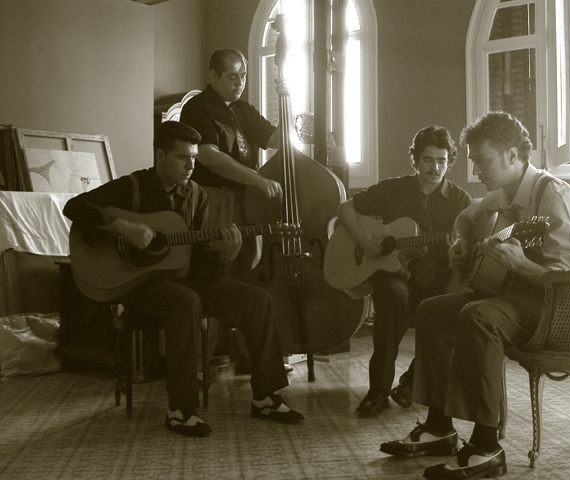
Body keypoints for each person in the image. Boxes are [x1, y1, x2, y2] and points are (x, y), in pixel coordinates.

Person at [379, 111, 570, 479]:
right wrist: (462, 242)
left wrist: (522, 265)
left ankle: (486, 447)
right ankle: (439, 428)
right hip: (514, 298)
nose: (476, 171)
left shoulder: (558, 197)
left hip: (559, 309)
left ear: (512, 155)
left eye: (482, 161)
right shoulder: (502, 195)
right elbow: (466, 217)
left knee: (479, 316)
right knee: (432, 311)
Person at [63, 121, 303, 438]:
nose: (190, 166)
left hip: (185, 279)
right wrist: (122, 226)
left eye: (193, 158)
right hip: (139, 287)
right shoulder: (132, 186)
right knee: (185, 302)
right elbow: (74, 206)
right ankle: (180, 410)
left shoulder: (196, 195)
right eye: (182, 158)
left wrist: (226, 254)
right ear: (160, 156)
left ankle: (265, 398)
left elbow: (198, 259)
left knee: (257, 299)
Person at [336, 126, 472, 415]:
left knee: (452, 307)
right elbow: (345, 208)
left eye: (442, 161)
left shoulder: (460, 201)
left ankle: (412, 382)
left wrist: (458, 246)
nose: (435, 168)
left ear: (449, 161)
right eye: (428, 160)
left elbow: (466, 248)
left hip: (438, 280)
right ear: (415, 160)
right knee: (393, 295)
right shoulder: (393, 189)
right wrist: (361, 237)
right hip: (395, 277)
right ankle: (378, 391)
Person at [180, 48, 282, 371]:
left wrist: (293, 113)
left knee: (248, 273)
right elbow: (209, 156)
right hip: (215, 199)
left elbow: (275, 139)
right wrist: (256, 178)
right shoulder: (197, 108)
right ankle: (202, 361)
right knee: (217, 275)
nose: (239, 83)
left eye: (244, 76)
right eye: (232, 77)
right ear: (213, 76)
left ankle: (249, 357)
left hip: (246, 201)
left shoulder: (244, 109)